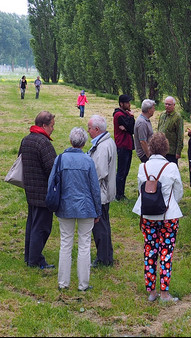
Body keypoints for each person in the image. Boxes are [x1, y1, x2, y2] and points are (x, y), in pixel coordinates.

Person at [48, 127, 102, 291]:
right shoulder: (88, 161)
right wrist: (98, 210)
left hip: (65, 206)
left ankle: (63, 283)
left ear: (71, 141)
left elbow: (52, 183)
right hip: (86, 207)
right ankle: (83, 284)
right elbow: (95, 188)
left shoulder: (61, 159)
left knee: (65, 244)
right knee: (84, 244)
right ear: (84, 143)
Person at [132, 132, 184, 302]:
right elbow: (179, 192)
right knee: (166, 253)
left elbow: (141, 190)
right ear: (166, 148)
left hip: (148, 215)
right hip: (169, 216)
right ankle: (164, 292)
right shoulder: (172, 167)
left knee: (150, 251)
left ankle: (151, 291)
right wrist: (170, 203)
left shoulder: (143, 167)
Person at [19, 111, 58, 269]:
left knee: (32, 225)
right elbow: (52, 168)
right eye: (52, 126)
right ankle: (35, 260)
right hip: (43, 192)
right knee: (42, 228)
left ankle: (29, 256)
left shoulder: (26, 140)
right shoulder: (44, 143)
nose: (53, 129)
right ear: (44, 125)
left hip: (30, 189)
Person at [87, 114, 117, 267]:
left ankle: (104, 259)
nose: (88, 131)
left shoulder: (103, 146)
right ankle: (106, 256)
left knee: (100, 227)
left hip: (100, 192)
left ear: (97, 129)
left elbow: (99, 172)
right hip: (104, 191)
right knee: (103, 224)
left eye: (89, 128)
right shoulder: (105, 142)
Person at [113, 95, 137, 200]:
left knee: (125, 170)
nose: (129, 104)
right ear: (121, 103)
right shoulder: (119, 115)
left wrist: (128, 123)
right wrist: (131, 117)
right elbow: (131, 128)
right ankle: (118, 194)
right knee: (122, 171)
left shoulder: (125, 114)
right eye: (127, 102)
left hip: (127, 145)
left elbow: (131, 128)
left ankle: (120, 193)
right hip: (122, 145)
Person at [157, 96, 184, 164]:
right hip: (161, 149)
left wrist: (178, 151)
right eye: (166, 104)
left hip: (171, 151)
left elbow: (180, 135)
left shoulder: (177, 117)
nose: (167, 106)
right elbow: (158, 129)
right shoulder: (162, 115)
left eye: (169, 104)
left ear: (174, 105)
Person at [134, 99, 156, 164]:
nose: (154, 110)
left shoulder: (145, 120)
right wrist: (148, 155)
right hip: (145, 154)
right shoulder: (142, 123)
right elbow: (143, 141)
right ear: (149, 110)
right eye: (153, 108)